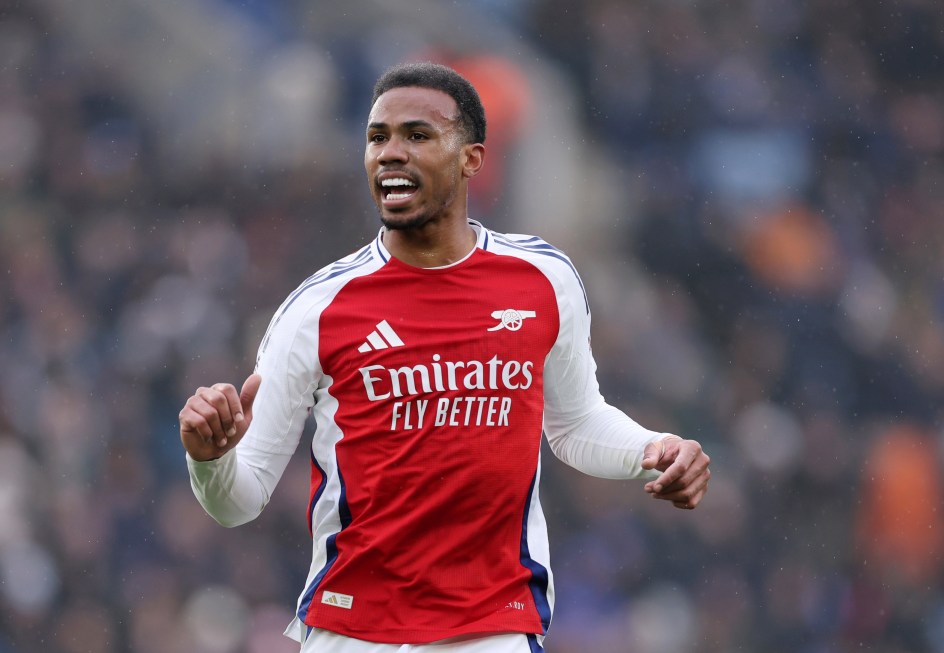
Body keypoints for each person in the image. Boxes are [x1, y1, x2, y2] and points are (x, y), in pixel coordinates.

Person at [179, 61, 711, 653]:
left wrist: (652, 450)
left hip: (493, 630)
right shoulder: (317, 309)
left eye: (418, 135)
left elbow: (576, 424)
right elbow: (239, 499)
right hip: (353, 634)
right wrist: (210, 462)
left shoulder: (543, 280)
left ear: (472, 159)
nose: (390, 153)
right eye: (377, 137)